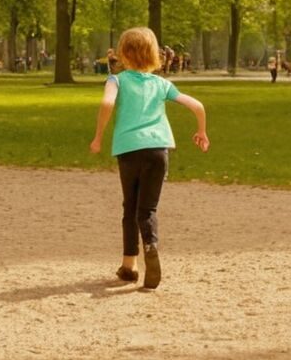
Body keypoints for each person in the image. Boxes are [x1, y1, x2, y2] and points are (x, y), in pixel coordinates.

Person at [89, 27, 209, 290]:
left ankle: (130, 266)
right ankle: (151, 247)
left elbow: (107, 104)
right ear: (155, 55)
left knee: (129, 208)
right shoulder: (162, 84)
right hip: (158, 150)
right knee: (148, 210)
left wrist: (98, 136)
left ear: (123, 53)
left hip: (129, 150)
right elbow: (198, 106)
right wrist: (201, 131)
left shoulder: (116, 80)